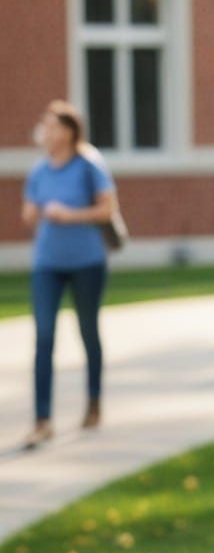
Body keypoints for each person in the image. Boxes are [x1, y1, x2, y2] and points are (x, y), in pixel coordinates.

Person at [21, 101, 119, 449]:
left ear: (68, 131)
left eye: (51, 125)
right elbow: (29, 214)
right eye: (43, 125)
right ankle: (42, 419)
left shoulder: (89, 165)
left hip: (87, 261)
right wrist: (34, 213)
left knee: (88, 331)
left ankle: (93, 401)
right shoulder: (39, 171)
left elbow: (107, 208)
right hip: (47, 263)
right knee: (44, 337)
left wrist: (70, 215)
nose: (45, 131)